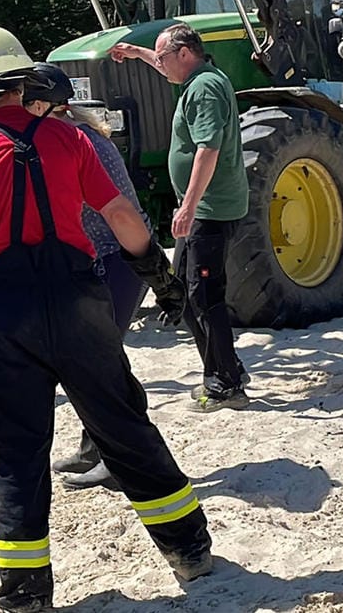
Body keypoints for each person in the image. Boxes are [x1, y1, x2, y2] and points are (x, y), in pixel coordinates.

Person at [0, 26, 214, 612]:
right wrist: (159, 275)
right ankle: (189, 548)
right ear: (21, 77)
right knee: (124, 426)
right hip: (83, 301)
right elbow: (122, 215)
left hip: (7, 313)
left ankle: (27, 590)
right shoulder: (70, 138)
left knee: (16, 449)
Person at [20, 64, 184, 491]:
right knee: (95, 360)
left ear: (41, 106)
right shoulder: (68, 135)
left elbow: (109, 215)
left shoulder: (77, 142)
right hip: (106, 260)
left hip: (119, 261)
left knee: (101, 362)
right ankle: (94, 448)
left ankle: (117, 458)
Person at [108, 23, 251, 411]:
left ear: (185, 54)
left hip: (209, 210)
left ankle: (225, 384)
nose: (161, 63)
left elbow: (208, 149)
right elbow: (162, 61)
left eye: (164, 57)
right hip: (203, 208)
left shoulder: (204, 88)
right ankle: (226, 366)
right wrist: (137, 54)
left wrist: (188, 206)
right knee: (187, 293)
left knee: (205, 295)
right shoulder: (198, 76)